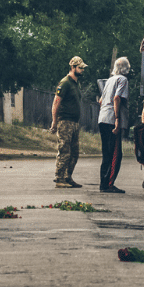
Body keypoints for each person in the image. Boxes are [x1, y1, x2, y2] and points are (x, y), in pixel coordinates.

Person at [50, 56, 86, 189]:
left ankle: (67, 176)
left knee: (74, 153)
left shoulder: (76, 84)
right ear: (73, 67)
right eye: (80, 67)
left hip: (74, 122)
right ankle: (59, 178)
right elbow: (56, 102)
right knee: (64, 150)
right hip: (65, 121)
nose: (82, 70)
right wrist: (54, 121)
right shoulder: (65, 83)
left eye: (82, 68)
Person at [98, 57, 130, 193]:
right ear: (125, 68)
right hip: (112, 119)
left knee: (106, 153)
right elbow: (117, 98)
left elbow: (100, 100)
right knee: (115, 154)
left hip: (102, 118)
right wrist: (117, 118)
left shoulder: (109, 80)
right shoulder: (122, 80)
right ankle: (108, 184)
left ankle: (103, 183)